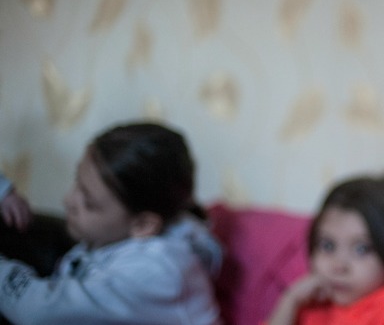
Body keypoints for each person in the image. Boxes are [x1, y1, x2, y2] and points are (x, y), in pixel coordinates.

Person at [0, 122, 223, 325]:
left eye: (89, 202)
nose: (68, 201)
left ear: (143, 224)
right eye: (77, 182)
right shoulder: (119, 235)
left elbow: (40, 313)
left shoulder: (157, 272)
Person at [266, 172, 384, 325]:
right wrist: (290, 301)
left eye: (361, 249)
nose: (339, 266)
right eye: (328, 245)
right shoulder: (310, 304)